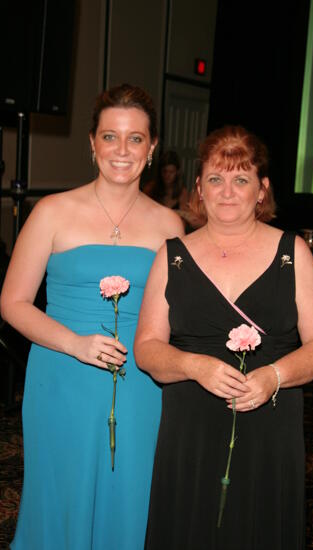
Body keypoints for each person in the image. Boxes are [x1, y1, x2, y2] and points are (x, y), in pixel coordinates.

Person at [134, 125, 313, 549]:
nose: (227, 191)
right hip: (190, 431)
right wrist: (193, 365)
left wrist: (274, 377)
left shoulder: (292, 252)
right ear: (199, 189)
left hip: (269, 428)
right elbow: (147, 348)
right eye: (215, 179)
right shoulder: (171, 256)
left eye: (241, 179)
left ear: (262, 190)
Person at [0, 83, 184, 550]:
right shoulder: (52, 212)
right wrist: (76, 344)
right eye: (110, 136)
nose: (122, 150)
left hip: (141, 386)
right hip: (62, 379)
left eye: (136, 138)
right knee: (62, 495)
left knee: (130, 496)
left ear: (152, 147)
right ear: (91, 143)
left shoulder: (169, 224)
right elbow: (13, 303)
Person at [143, 150, 204, 230]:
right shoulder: (150, 188)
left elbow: (190, 218)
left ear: (177, 172)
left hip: (172, 230)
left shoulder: (182, 192)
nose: (167, 175)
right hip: (152, 228)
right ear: (160, 172)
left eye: (171, 172)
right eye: (165, 171)